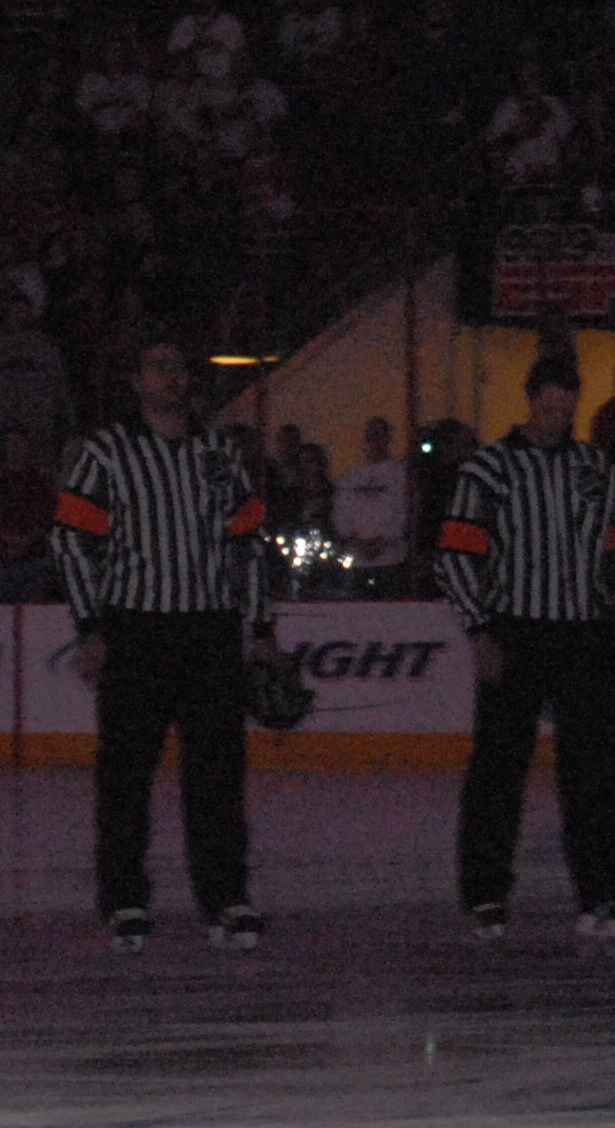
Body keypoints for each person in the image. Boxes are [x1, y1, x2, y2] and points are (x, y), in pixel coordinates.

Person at [54, 338, 282, 953]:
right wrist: (90, 625)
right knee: (126, 773)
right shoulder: (106, 452)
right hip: (135, 628)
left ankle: (226, 896)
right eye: (157, 366)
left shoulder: (219, 452)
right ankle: (124, 898)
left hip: (209, 629)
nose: (171, 377)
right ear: (136, 381)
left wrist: (259, 627)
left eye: (178, 367)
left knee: (217, 774)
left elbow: (249, 542)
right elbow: (71, 539)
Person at [437, 355, 615, 941]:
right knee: (499, 770)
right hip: (514, 631)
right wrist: (478, 628)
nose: (557, 417)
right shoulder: (489, 468)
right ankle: (484, 893)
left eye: (566, 407)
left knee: (599, 771)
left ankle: (601, 890)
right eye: (548, 406)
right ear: (529, 401)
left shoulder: (595, 468)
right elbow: (456, 555)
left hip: (585, 633)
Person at [331, 416, 413, 591]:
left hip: (392, 559)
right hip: (357, 561)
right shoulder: (351, 477)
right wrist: (358, 543)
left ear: (388, 438)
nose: (375, 440)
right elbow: (341, 514)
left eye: (379, 435)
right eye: (371, 435)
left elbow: (406, 511)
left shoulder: (401, 474)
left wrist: (383, 541)